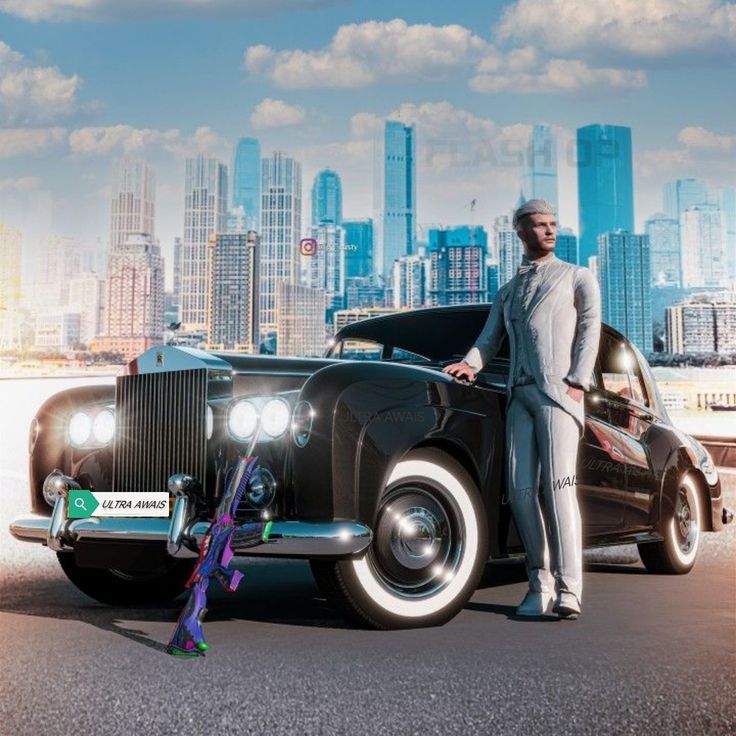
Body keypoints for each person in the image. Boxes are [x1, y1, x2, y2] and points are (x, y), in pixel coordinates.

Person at [443, 199, 601, 619]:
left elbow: (590, 329)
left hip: (558, 396)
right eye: (540, 225)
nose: (550, 231)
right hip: (520, 396)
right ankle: (539, 583)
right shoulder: (508, 290)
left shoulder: (577, 277)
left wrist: (577, 384)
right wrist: (470, 365)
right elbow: (489, 339)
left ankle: (570, 589)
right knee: (519, 492)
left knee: (560, 489)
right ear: (520, 231)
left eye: (553, 224)